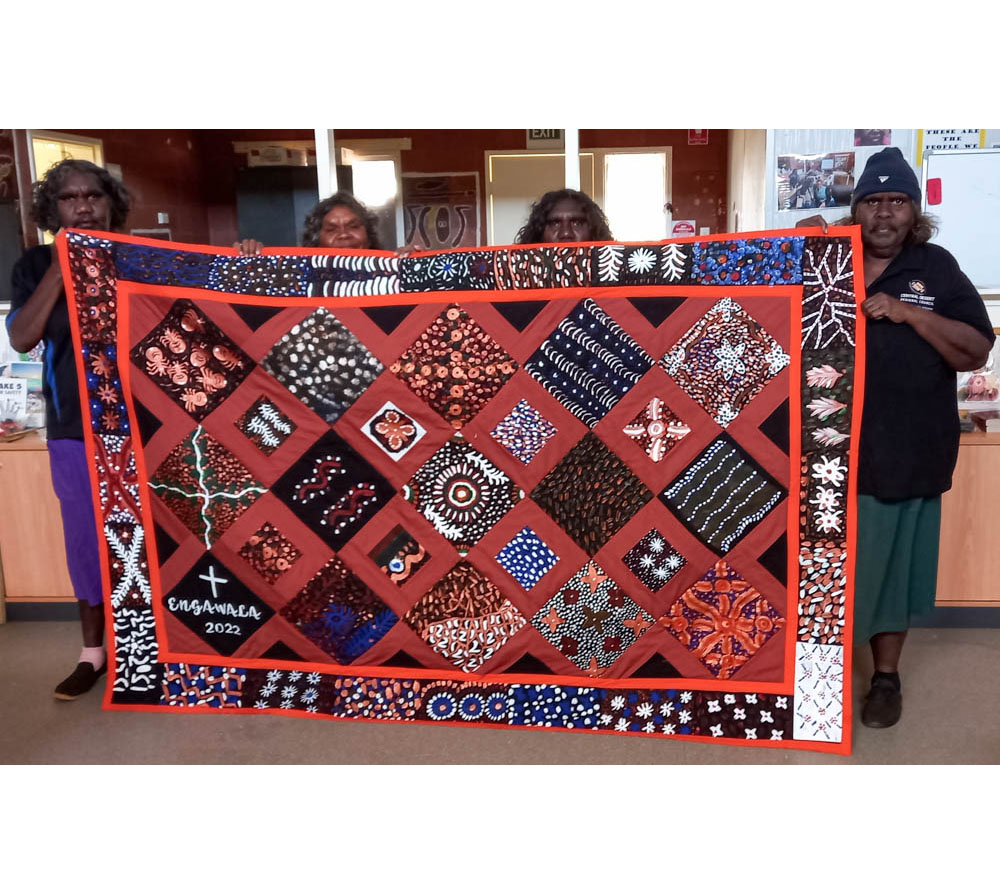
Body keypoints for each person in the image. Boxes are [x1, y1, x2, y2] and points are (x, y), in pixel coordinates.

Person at [798, 147, 994, 728]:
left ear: (914, 212)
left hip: (909, 448)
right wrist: (803, 238)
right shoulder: (829, 259)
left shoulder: (936, 267)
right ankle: (818, 676)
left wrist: (910, 314)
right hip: (826, 452)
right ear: (857, 210)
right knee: (824, 564)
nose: (884, 214)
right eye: (873, 201)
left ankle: (885, 678)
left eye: (897, 201)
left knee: (894, 567)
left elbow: (975, 349)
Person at [7, 159, 132, 700]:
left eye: (93, 196)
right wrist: (61, 267)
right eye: (69, 199)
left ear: (111, 203)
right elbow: (21, 337)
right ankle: (93, 654)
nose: (83, 206)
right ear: (52, 209)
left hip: (145, 425)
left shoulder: (141, 259)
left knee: (150, 536)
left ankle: (150, 650)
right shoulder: (34, 264)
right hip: (73, 426)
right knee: (85, 538)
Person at [233, 190, 384, 255]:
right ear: (317, 240)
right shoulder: (298, 281)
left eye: (353, 226)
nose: (343, 235)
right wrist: (244, 263)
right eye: (331, 229)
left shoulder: (394, 276)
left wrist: (408, 260)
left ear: (368, 235)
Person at [514, 188, 613, 244]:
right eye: (555, 223)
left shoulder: (614, 278)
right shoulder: (521, 279)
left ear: (593, 231)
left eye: (577, 223)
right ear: (539, 233)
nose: (566, 233)